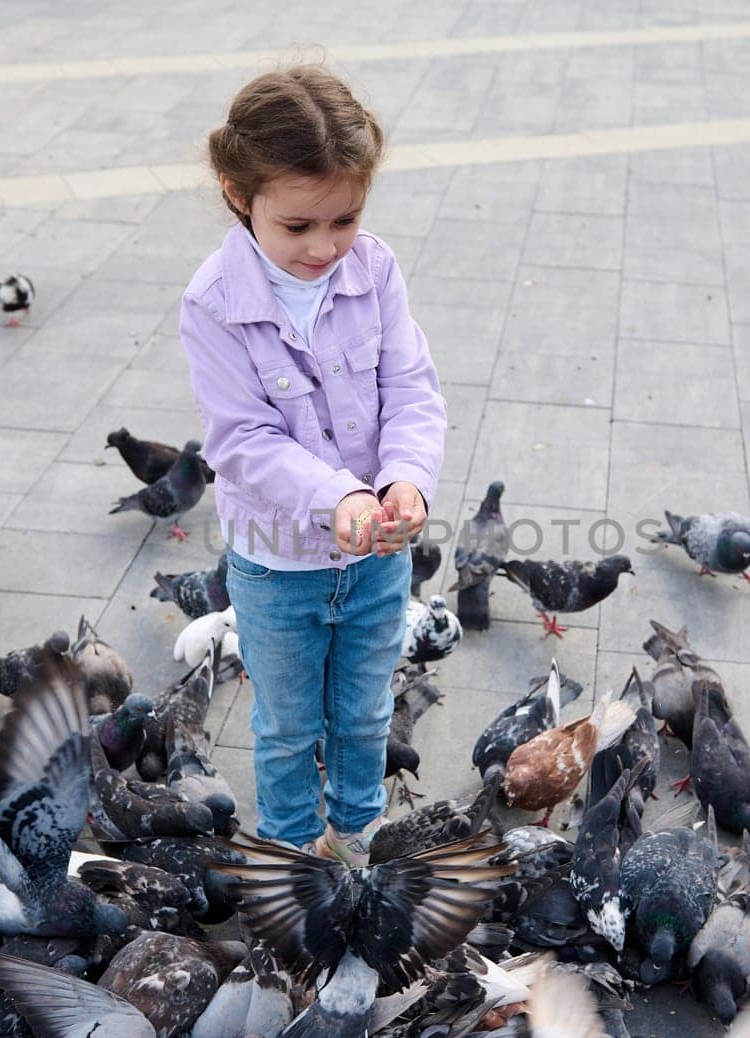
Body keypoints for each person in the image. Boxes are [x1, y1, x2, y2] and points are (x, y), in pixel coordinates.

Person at [181, 65, 447, 863]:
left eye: (346, 219)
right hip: (276, 565)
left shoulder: (377, 268)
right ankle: (291, 853)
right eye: (298, 227)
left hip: (376, 558)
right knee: (289, 723)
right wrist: (339, 496)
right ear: (238, 191)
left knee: (366, 712)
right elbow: (241, 440)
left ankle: (358, 831)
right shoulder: (213, 302)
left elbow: (411, 389)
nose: (326, 247)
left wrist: (407, 480)